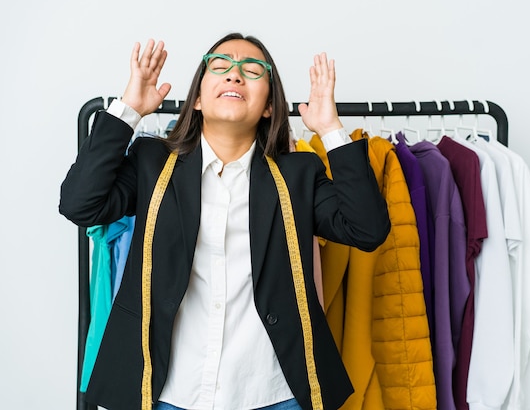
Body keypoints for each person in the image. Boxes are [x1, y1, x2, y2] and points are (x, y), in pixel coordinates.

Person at [59, 32, 390, 410]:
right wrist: (130, 109)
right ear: (198, 98)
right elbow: (79, 205)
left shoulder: (299, 173)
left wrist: (331, 129)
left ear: (269, 105)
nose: (234, 75)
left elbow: (367, 230)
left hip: (275, 393)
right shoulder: (152, 162)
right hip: (169, 392)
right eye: (220, 67)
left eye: (252, 70)